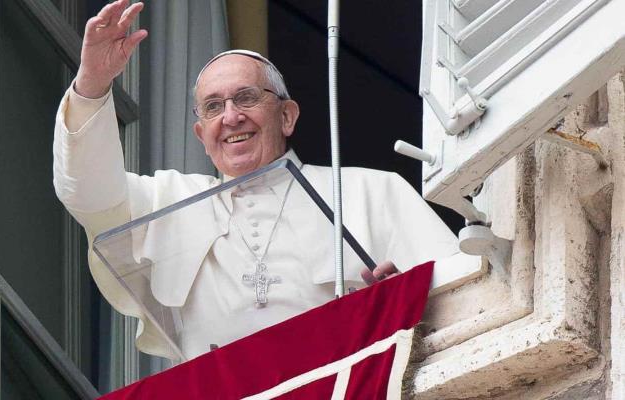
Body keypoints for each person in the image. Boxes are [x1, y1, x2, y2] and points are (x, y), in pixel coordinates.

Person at [53, 0, 457, 361]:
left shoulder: (372, 192)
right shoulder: (168, 200)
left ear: (287, 116)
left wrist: (408, 299)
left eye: (246, 97)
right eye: (214, 106)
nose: (231, 117)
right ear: (201, 135)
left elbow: (463, 294)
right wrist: (92, 86)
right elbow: (88, 193)